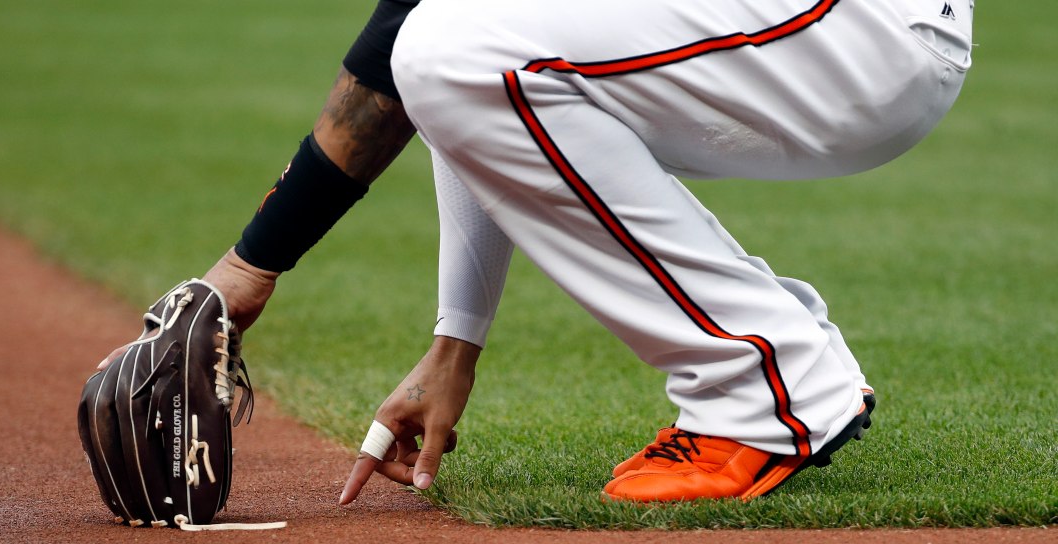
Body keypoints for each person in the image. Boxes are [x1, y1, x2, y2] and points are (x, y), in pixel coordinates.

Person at [337, 0, 974, 504]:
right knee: (455, 48)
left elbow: (411, 38)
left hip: (850, 29)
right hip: (853, 32)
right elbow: (459, 71)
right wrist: (456, 342)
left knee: (445, 46)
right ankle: (775, 360)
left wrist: (254, 264)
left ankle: (762, 380)